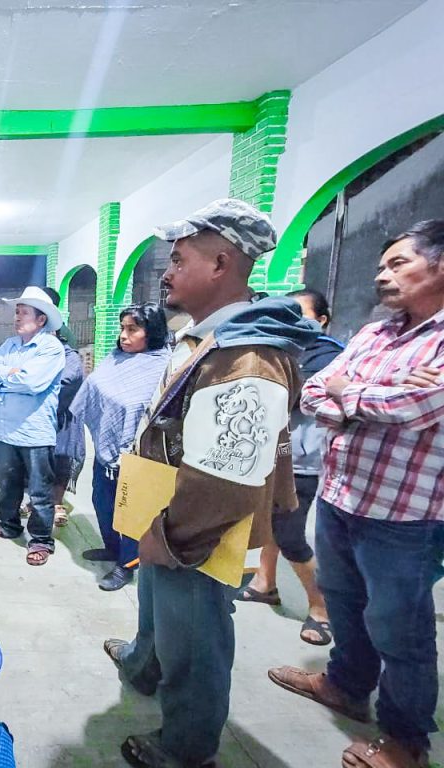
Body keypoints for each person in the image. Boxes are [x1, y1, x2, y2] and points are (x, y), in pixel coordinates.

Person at [102, 199, 317, 768]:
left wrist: (171, 538)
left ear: (221, 264)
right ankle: (143, 664)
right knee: (159, 606)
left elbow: (226, 481)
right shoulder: (208, 336)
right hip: (168, 502)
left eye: (179, 260)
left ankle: (188, 747)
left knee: (195, 637)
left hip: (196, 525)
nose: (167, 272)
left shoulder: (247, 355)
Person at [268, 220, 444, 768]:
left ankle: (405, 739)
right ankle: (346, 687)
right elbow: (312, 393)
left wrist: (350, 393)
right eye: (381, 266)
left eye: (398, 264)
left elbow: (416, 408)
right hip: (342, 495)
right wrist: (364, 394)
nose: (382, 275)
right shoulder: (374, 333)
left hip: (406, 514)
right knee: (344, 602)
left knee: (399, 627)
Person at [236, 287, 341, 644]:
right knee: (270, 523)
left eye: (301, 314)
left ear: (322, 320)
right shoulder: (285, 349)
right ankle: (264, 583)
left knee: (291, 536)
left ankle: (321, 608)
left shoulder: (328, 356)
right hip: (272, 455)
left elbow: (290, 396)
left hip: (301, 462)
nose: (291, 321)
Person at [71, 303, 170, 592]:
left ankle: (127, 564)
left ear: (151, 332)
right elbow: (94, 389)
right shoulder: (115, 358)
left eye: (132, 329)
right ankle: (112, 548)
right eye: (122, 328)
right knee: (103, 501)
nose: (124, 336)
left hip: (139, 455)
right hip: (106, 448)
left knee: (131, 511)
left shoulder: (162, 365)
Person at [0, 286, 66, 566]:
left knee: (39, 492)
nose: (17, 317)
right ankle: (9, 525)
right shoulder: (10, 344)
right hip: (5, 430)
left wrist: (6, 379)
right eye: (17, 311)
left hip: (35, 432)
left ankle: (40, 540)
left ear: (41, 319)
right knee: (6, 485)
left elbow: (32, 382)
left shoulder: (50, 347)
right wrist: (13, 373)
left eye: (23, 312)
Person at [43, 285, 86, 528]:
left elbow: (69, 378)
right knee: (42, 460)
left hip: (63, 414)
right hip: (41, 415)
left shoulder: (64, 340)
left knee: (61, 457)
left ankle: (57, 503)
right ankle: (41, 501)